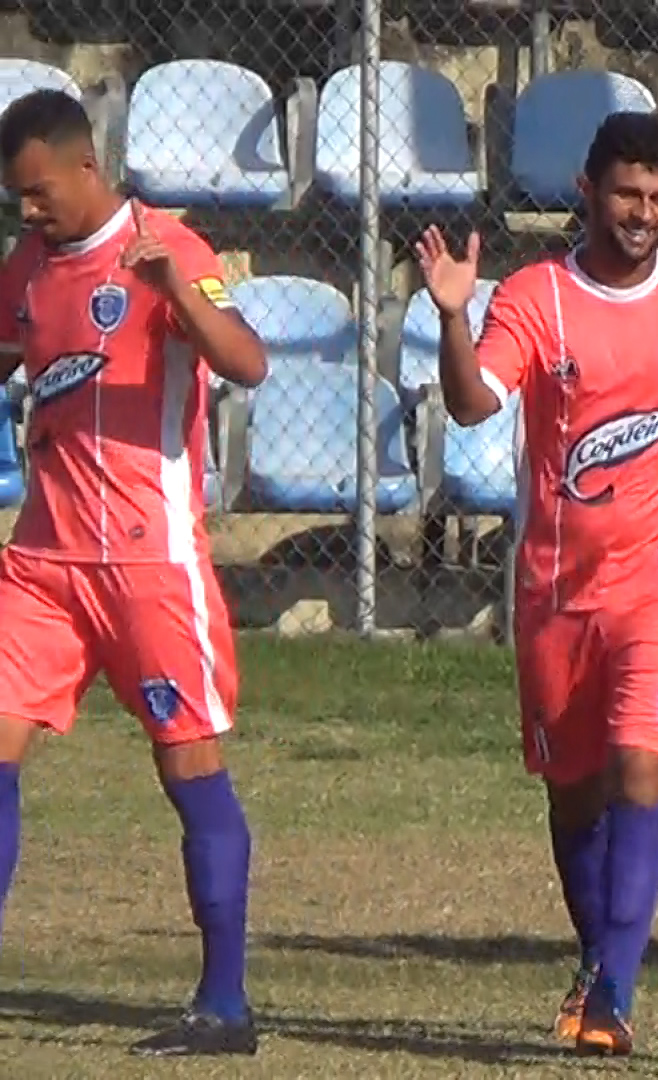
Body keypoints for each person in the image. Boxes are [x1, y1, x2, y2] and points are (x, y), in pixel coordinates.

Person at [415, 111, 658, 1054]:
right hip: (559, 591)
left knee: (643, 768)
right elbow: (475, 401)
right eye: (626, 195)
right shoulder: (536, 297)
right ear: (588, 194)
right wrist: (452, 315)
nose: (643, 214)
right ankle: (596, 955)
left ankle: (612, 994)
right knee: (574, 795)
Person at [0, 89, 268, 1055]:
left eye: (36, 194)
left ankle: (225, 1006)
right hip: (40, 564)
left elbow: (248, 363)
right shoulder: (30, 265)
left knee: (189, 767)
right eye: (13, 199)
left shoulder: (166, 248)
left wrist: (181, 300)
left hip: (148, 562)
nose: (26, 212)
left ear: (86, 168)